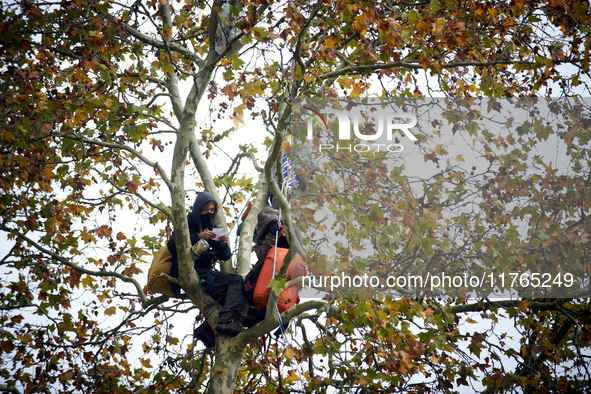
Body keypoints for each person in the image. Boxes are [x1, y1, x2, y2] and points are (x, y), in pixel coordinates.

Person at [167, 192, 245, 347]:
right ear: (198, 209)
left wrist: (222, 244)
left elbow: (225, 257)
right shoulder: (187, 221)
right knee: (236, 280)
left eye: (212, 210)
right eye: (205, 209)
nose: (209, 213)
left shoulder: (214, 228)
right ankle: (227, 320)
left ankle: (206, 330)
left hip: (206, 273)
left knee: (232, 295)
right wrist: (198, 236)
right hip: (188, 270)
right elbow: (171, 245)